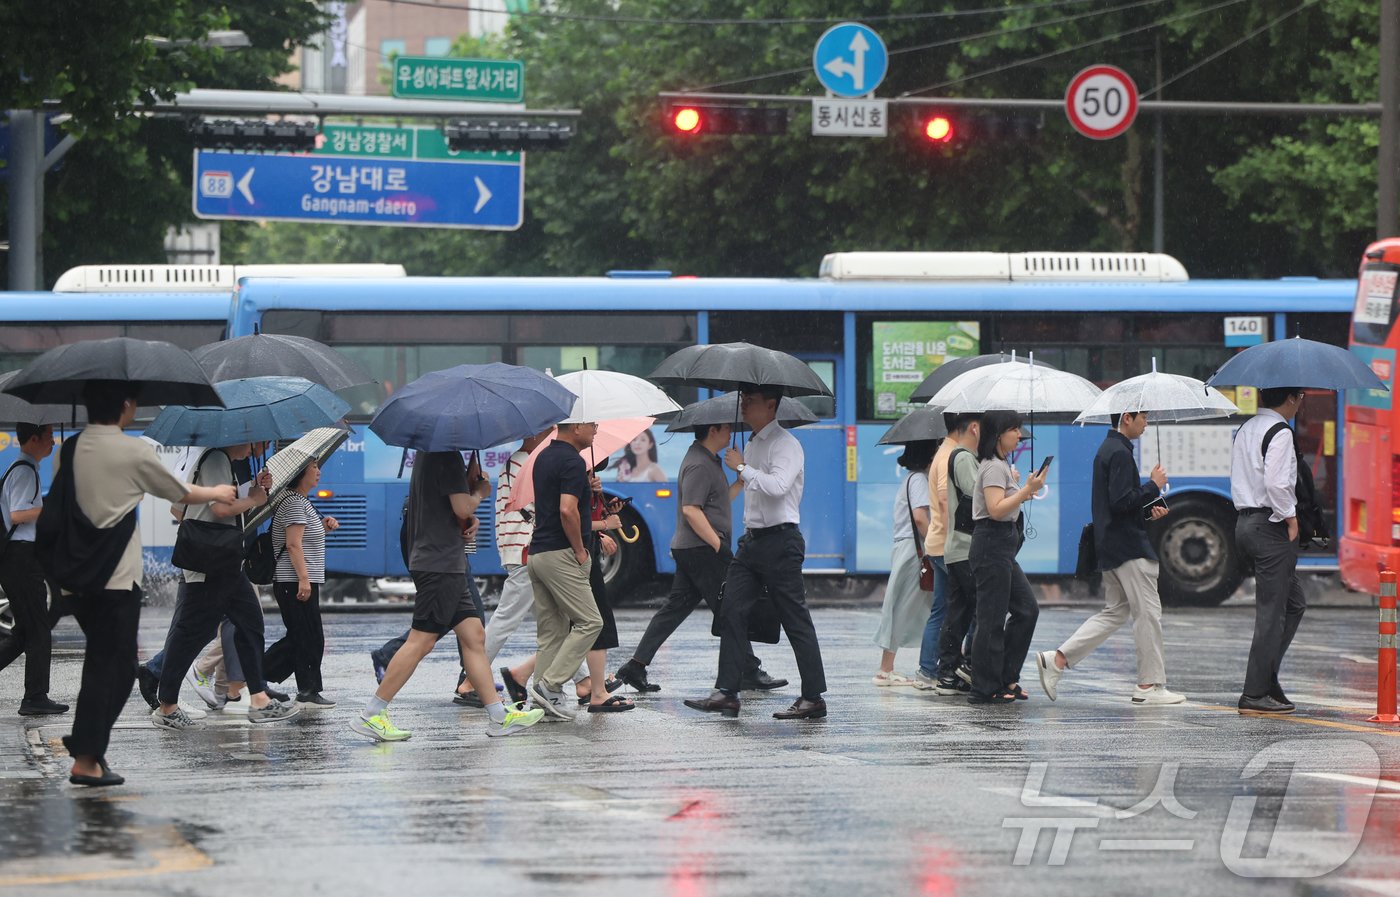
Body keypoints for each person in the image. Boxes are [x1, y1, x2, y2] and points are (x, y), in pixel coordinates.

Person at [57, 381, 237, 787]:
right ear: (124, 405)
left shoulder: (69, 450)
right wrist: (219, 490)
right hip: (115, 577)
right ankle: (86, 758)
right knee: (117, 670)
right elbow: (177, 491)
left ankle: (88, 755)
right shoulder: (131, 449)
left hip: (75, 576)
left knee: (102, 663)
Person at [352, 449, 544, 740]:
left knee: (474, 637)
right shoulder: (447, 456)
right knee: (421, 641)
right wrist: (479, 492)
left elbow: (452, 510)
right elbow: (462, 507)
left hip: (445, 559)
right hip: (439, 563)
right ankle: (372, 714)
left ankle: (498, 716)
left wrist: (468, 512)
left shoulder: (432, 454)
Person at [685, 388, 827, 720]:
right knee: (731, 610)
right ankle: (727, 692)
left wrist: (744, 469)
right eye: (743, 399)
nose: (743, 405)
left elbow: (778, 487)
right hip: (751, 543)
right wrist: (742, 470)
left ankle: (813, 697)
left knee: (795, 618)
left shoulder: (786, 445)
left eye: (750, 400)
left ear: (771, 405)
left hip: (781, 541)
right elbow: (754, 489)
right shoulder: (751, 442)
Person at [613, 421, 786, 693]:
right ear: (713, 430)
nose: (730, 433)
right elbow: (691, 510)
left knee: (676, 608)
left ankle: (635, 666)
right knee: (732, 608)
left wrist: (738, 484)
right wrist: (719, 546)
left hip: (695, 548)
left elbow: (715, 503)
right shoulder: (698, 464)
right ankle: (749, 670)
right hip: (701, 549)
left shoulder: (709, 461)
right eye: (727, 428)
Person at [1036, 411, 1186, 706]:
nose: (1145, 423)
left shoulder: (1109, 449)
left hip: (1112, 546)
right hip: (1130, 549)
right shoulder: (1118, 452)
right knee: (1147, 614)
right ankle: (1148, 685)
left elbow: (1119, 506)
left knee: (1115, 612)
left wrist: (1148, 509)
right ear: (1127, 418)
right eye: (1142, 417)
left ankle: (1057, 660)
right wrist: (1153, 486)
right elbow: (1120, 502)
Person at [152, 442, 299, 730]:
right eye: (258, 439)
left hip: (223, 561)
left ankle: (259, 699)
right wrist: (254, 498)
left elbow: (223, 499)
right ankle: (167, 705)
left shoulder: (218, 460)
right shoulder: (216, 457)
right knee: (192, 633)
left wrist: (251, 489)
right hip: (210, 562)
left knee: (250, 621)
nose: (259, 446)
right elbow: (220, 508)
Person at [1231, 387, 1308, 715]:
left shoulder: (1246, 428)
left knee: (1294, 604)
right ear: (1291, 398)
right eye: (1301, 396)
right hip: (1269, 526)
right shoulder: (1280, 433)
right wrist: (1291, 517)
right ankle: (1254, 693)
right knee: (1272, 612)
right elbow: (1277, 484)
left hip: (1245, 524)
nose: (1302, 403)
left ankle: (1267, 678)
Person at [525, 422, 604, 720]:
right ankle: (550, 685)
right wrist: (580, 550)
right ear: (576, 427)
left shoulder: (545, 456)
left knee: (551, 632)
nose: (596, 429)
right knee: (590, 622)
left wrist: (588, 486)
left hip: (538, 554)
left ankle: (543, 703)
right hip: (561, 554)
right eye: (592, 424)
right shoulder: (573, 461)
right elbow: (567, 509)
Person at [967, 411, 1044, 705]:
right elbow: (996, 509)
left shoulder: (1001, 465)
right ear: (999, 433)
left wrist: (1023, 490)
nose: (1019, 435)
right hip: (991, 544)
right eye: (1014, 429)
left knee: (1027, 609)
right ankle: (984, 687)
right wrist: (1025, 490)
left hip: (1001, 546)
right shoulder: (992, 467)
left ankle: (1006, 677)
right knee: (991, 619)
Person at [0, 423, 67, 716]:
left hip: (18, 557)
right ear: (35, 438)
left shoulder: (24, 468)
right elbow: (18, 513)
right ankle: (35, 697)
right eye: (50, 437)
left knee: (24, 633)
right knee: (39, 629)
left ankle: (35, 696)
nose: (53, 442)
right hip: (22, 558)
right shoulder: (25, 470)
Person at [263, 459, 340, 707]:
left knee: (306, 636)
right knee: (305, 636)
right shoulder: (295, 503)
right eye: (313, 467)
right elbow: (293, 544)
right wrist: (303, 579)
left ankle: (301, 688)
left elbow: (303, 538)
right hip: (293, 580)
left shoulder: (301, 501)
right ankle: (258, 677)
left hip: (298, 579)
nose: (319, 472)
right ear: (300, 473)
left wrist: (324, 527)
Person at [871, 439, 936, 686]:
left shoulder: (911, 479)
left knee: (907, 605)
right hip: (913, 549)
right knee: (903, 607)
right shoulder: (918, 479)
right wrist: (935, 545)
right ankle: (885, 670)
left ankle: (887, 668)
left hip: (907, 547)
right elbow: (920, 518)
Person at [933, 413, 981, 695]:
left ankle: (948, 672)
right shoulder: (962, 457)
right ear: (974, 427)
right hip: (964, 546)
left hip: (955, 545)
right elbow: (978, 494)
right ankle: (967, 667)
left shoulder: (951, 453)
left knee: (957, 611)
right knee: (978, 609)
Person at [913, 426, 957, 689]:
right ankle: (951, 667)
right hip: (947, 546)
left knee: (940, 609)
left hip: (936, 545)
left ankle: (927, 670)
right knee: (963, 608)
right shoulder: (950, 455)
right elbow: (944, 503)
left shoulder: (941, 455)